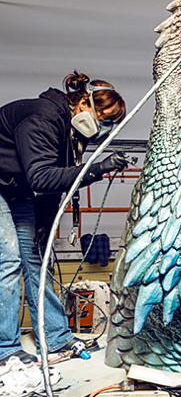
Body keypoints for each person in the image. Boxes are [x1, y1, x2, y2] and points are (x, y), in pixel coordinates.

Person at [0, 71, 128, 365]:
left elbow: (53, 184)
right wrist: (97, 169)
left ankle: (56, 337)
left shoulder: (70, 136)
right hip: (3, 186)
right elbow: (41, 177)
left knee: (37, 260)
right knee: (9, 260)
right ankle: (4, 348)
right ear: (83, 104)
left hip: (17, 189)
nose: (104, 129)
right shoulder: (43, 118)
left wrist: (45, 222)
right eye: (104, 119)